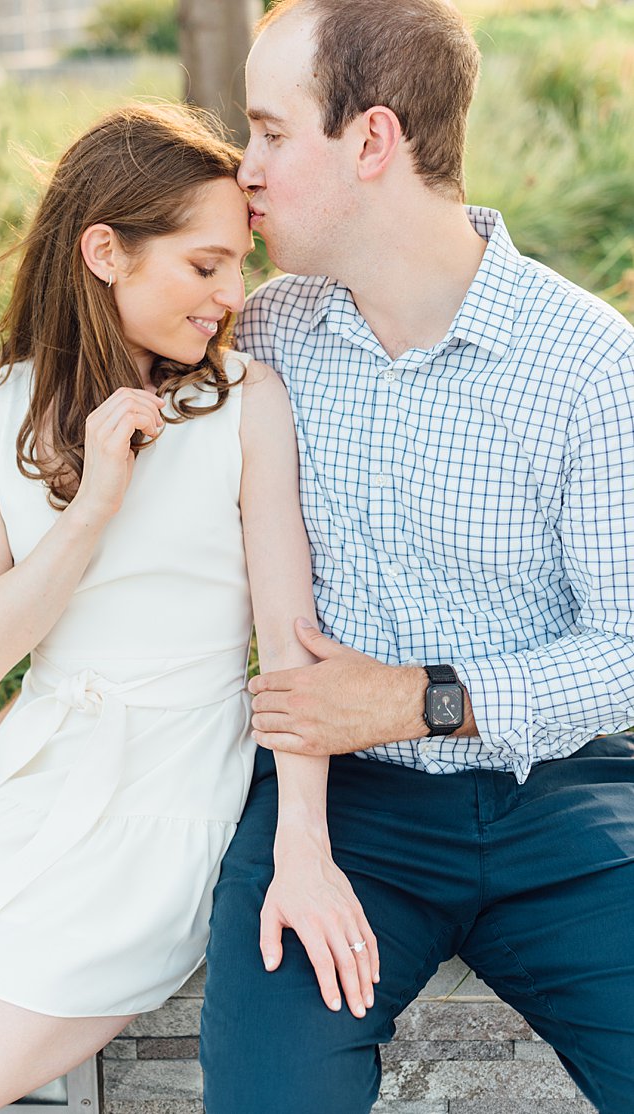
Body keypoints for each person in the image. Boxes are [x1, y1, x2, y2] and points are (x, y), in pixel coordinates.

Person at [0, 103, 378, 1114]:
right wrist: (96, 501)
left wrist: (301, 846)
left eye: (238, 267)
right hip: (19, 787)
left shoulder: (250, 402)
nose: (230, 297)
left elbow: (291, 653)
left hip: (165, 806)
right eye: (204, 268)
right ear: (105, 250)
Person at [197, 2, 634, 1112]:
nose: (242, 168)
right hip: (343, 815)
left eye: (271, 132)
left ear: (373, 140)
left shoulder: (588, 365)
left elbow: (629, 645)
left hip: (563, 806)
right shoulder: (261, 334)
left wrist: (419, 701)